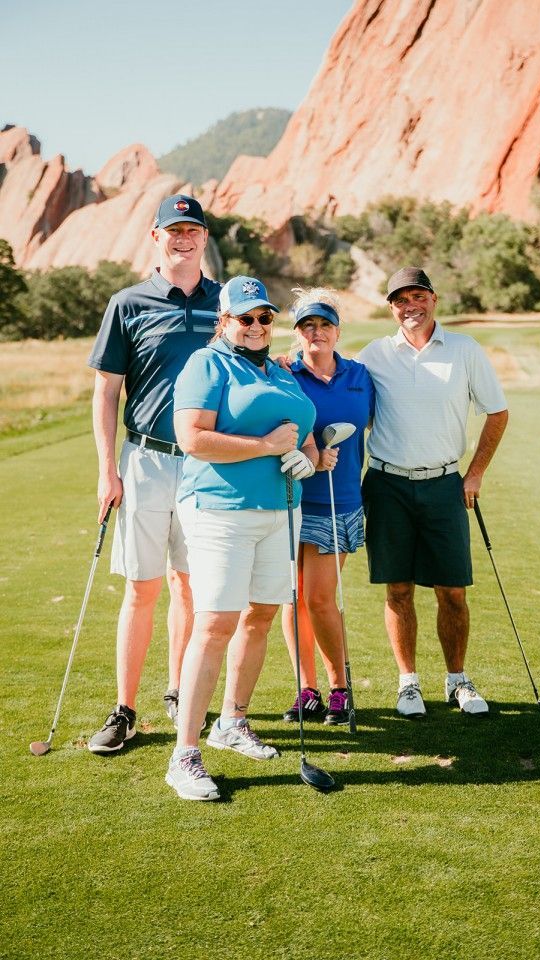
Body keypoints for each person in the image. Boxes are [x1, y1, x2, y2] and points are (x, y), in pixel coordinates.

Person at [165, 275, 318, 801]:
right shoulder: (206, 365)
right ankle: (184, 754)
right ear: (223, 320)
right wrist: (263, 446)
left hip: (279, 510)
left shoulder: (280, 371)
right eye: (245, 318)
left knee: (261, 616)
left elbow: (306, 436)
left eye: (265, 318)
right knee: (215, 623)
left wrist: (308, 458)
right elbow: (193, 439)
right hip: (221, 511)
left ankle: (232, 722)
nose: (256, 326)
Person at [87, 194, 221, 753]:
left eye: (193, 229)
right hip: (144, 460)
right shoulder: (128, 302)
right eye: (174, 230)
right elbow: (106, 391)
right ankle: (125, 709)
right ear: (156, 236)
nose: (184, 238)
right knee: (141, 590)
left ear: (204, 237)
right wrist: (105, 471)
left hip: (206, 463)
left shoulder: (227, 303)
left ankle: (178, 691)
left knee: (190, 587)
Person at [359, 266, 508, 717]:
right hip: (386, 485)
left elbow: (496, 413)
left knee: (453, 591)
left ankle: (457, 680)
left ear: (433, 299)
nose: (411, 306)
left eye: (418, 296)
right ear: (391, 307)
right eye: (401, 300)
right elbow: (336, 391)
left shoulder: (464, 350)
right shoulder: (373, 355)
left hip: (445, 484)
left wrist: (475, 472)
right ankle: (408, 684)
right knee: (398, 589)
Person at [280, 288, 374, 725]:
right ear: (297, 332)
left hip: (338, 502)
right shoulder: (283, 373)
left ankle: (339, 688)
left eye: (324, 325)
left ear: (338, 330)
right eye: (307, 325)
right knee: (290, 599)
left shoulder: (359, 376)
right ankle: (307, 689)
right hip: (289, 501)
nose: (316, 332)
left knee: (318, 599)